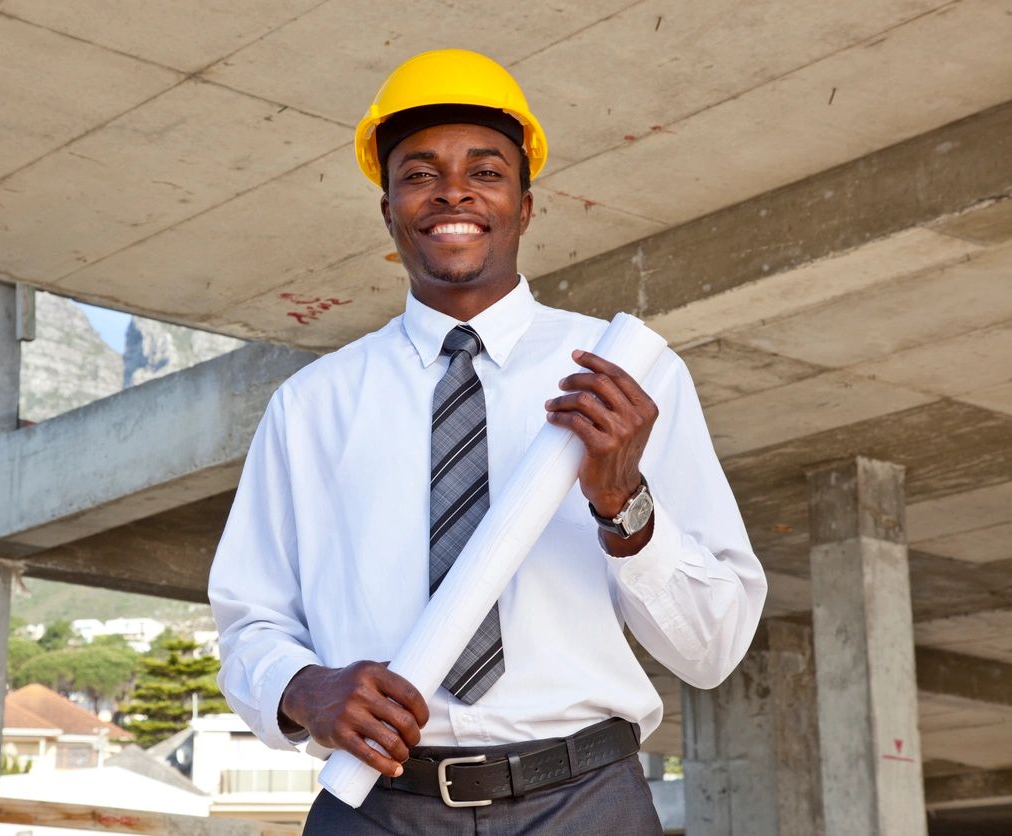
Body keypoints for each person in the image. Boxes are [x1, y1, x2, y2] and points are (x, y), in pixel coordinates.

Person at [209, 49, 767, 835]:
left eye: (486, 170)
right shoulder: (311, 405)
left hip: (585, 803)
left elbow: (714, 648)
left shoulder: (627, 380)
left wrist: (624, 505)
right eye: (419, 174)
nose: (453, 193)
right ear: (389, 210)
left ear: (526, 206)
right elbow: (251, 622)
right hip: (377, 805)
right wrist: (302, 687)